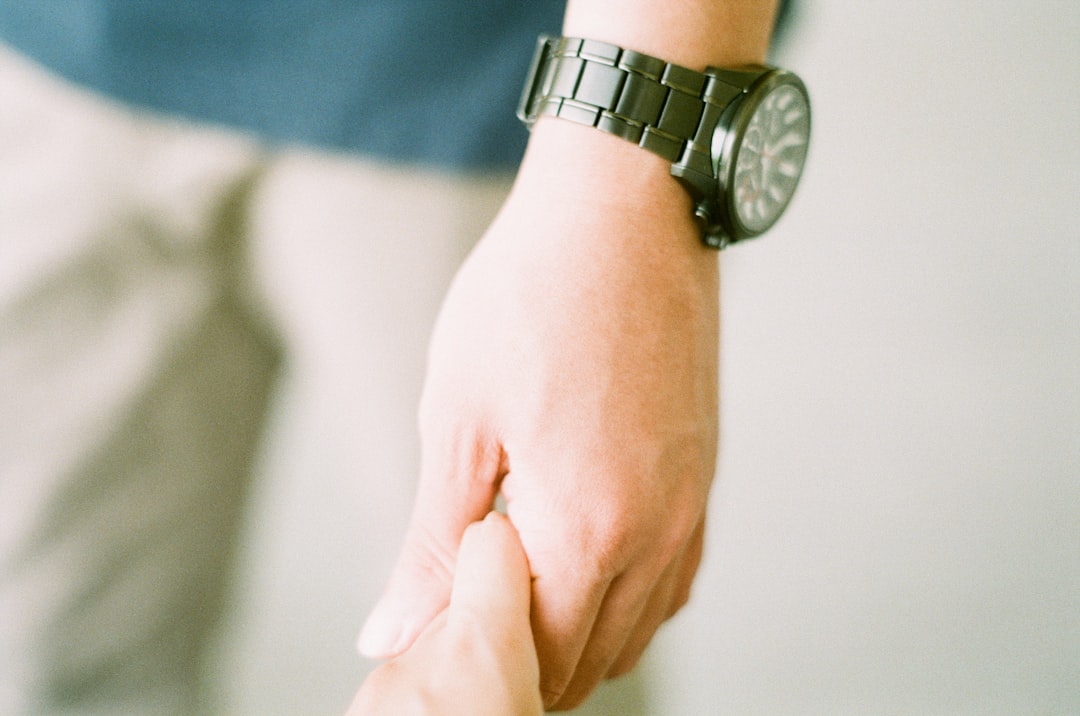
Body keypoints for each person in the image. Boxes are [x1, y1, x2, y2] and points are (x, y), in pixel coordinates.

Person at [0, 1, 784, 712]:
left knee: (532, 670)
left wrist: (620, 178)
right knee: (60, 664)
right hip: (45, 62)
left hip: (499, 97)